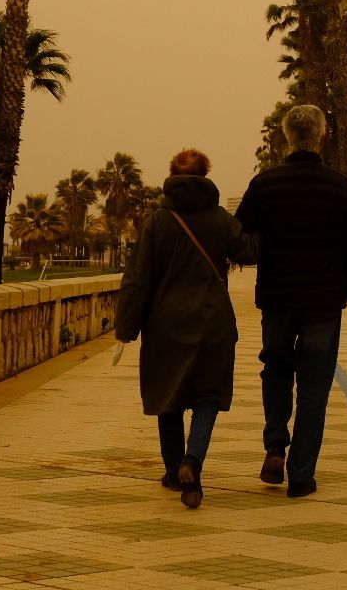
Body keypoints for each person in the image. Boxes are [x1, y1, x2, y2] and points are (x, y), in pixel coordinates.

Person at [234, 104, 347, 499]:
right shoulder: (340, 186)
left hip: (277, 297)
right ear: (321, 137)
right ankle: (302, 475)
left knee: (275, 369)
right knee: (314, 385)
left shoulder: (264, 185)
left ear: (286, 137)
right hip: (324, 301)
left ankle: (275, 444)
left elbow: (239, 234)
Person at [114, 148, 253, 509]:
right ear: (206, 176)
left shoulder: (158, 222)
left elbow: (138, 280)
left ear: (172, 176)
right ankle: (194, 460)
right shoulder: (221, 219)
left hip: (165, 326)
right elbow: (249, 251)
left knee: (169, 397)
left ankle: (176, 473)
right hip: (213, 323)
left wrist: (126, 328)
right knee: (208, 397)